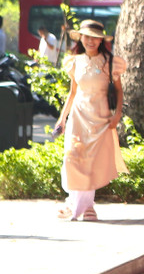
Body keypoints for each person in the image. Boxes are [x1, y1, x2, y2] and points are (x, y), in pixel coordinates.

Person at [53, 20, 125, 221]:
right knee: (72, 157)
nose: (91, 41)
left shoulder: (110, 62)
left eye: (95, 37)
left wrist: (117, 114)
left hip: (100, 118)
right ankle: (74, 203)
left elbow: (119, 91)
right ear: (81, 38)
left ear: (101, 40)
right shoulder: (74, 61)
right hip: (78, 116)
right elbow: (73, 92)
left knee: (92, 162)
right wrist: (62, 118)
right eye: (87, 36)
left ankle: (87, 206)